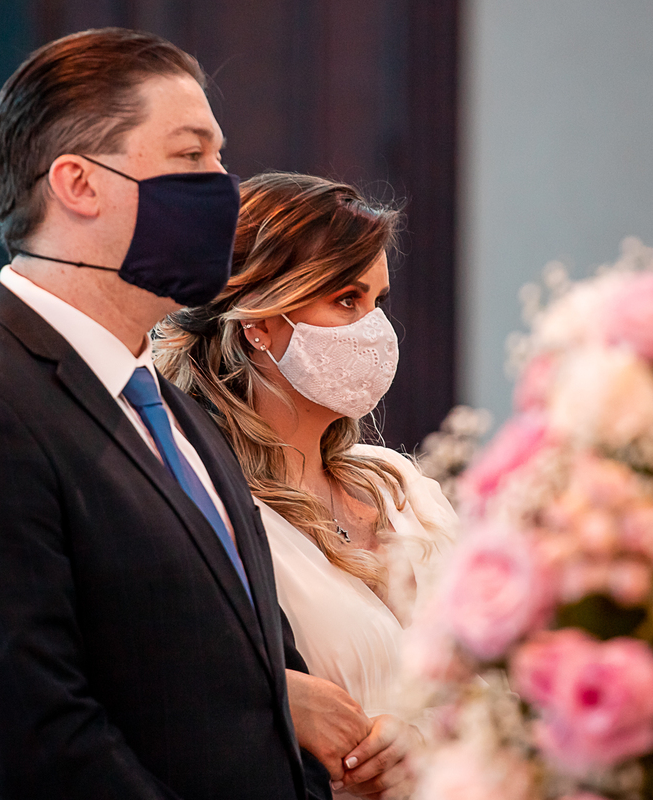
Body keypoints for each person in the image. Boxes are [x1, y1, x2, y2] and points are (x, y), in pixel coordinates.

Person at [0, 29, 353, 799]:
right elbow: (40, 743)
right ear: (78, 184)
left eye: (220, 157)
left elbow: (250, 674)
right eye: (191, 155)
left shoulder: (171, 409)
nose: (224, 188)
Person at [154, 172, 458, 799]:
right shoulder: (210, 511)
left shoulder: (402, 486)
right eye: (346, 299)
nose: (374, 329)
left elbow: (500, 680)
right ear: (258, 324)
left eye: (377, 300)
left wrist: (427, 745)